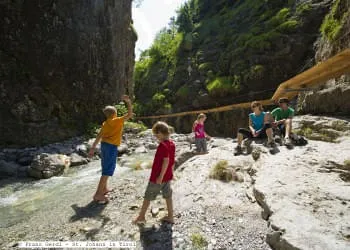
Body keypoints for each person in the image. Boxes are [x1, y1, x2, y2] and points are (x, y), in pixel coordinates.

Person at [88, 95, 133, 204]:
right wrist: (128, 102)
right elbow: (130, 114)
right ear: (115, 113)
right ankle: (98, 194)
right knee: (108, 170)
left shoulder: (105, 123)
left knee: (105, 167)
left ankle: (104, 189)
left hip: (104, 146)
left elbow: (99, 135)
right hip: (111, 147)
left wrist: (92, 148)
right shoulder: (118, 120)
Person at [133, 121, 176, 225]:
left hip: (157, 178)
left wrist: (160, 177)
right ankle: (170, 216)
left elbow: (166, 161)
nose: (156, 137)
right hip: (167, 176)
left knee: (148, 196)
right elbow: (172, 160)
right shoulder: (172, 144)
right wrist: (172, 173)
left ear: (160, 133)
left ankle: (141, 217)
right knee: (168, 196)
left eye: (156, 135)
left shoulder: (163, 145)